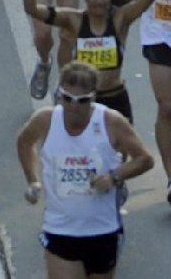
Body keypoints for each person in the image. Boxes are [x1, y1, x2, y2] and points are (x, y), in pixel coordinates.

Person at [16, 59, 153, 279]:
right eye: (67, 98)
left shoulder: (111, 121)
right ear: (59, 94)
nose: (74, 106)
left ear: (93, 97)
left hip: (102, 229)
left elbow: (145, 159)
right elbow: (24, 142)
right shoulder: (45, 120)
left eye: (82, 100)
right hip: (60, 228)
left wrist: (114, 177)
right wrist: (33, 180)